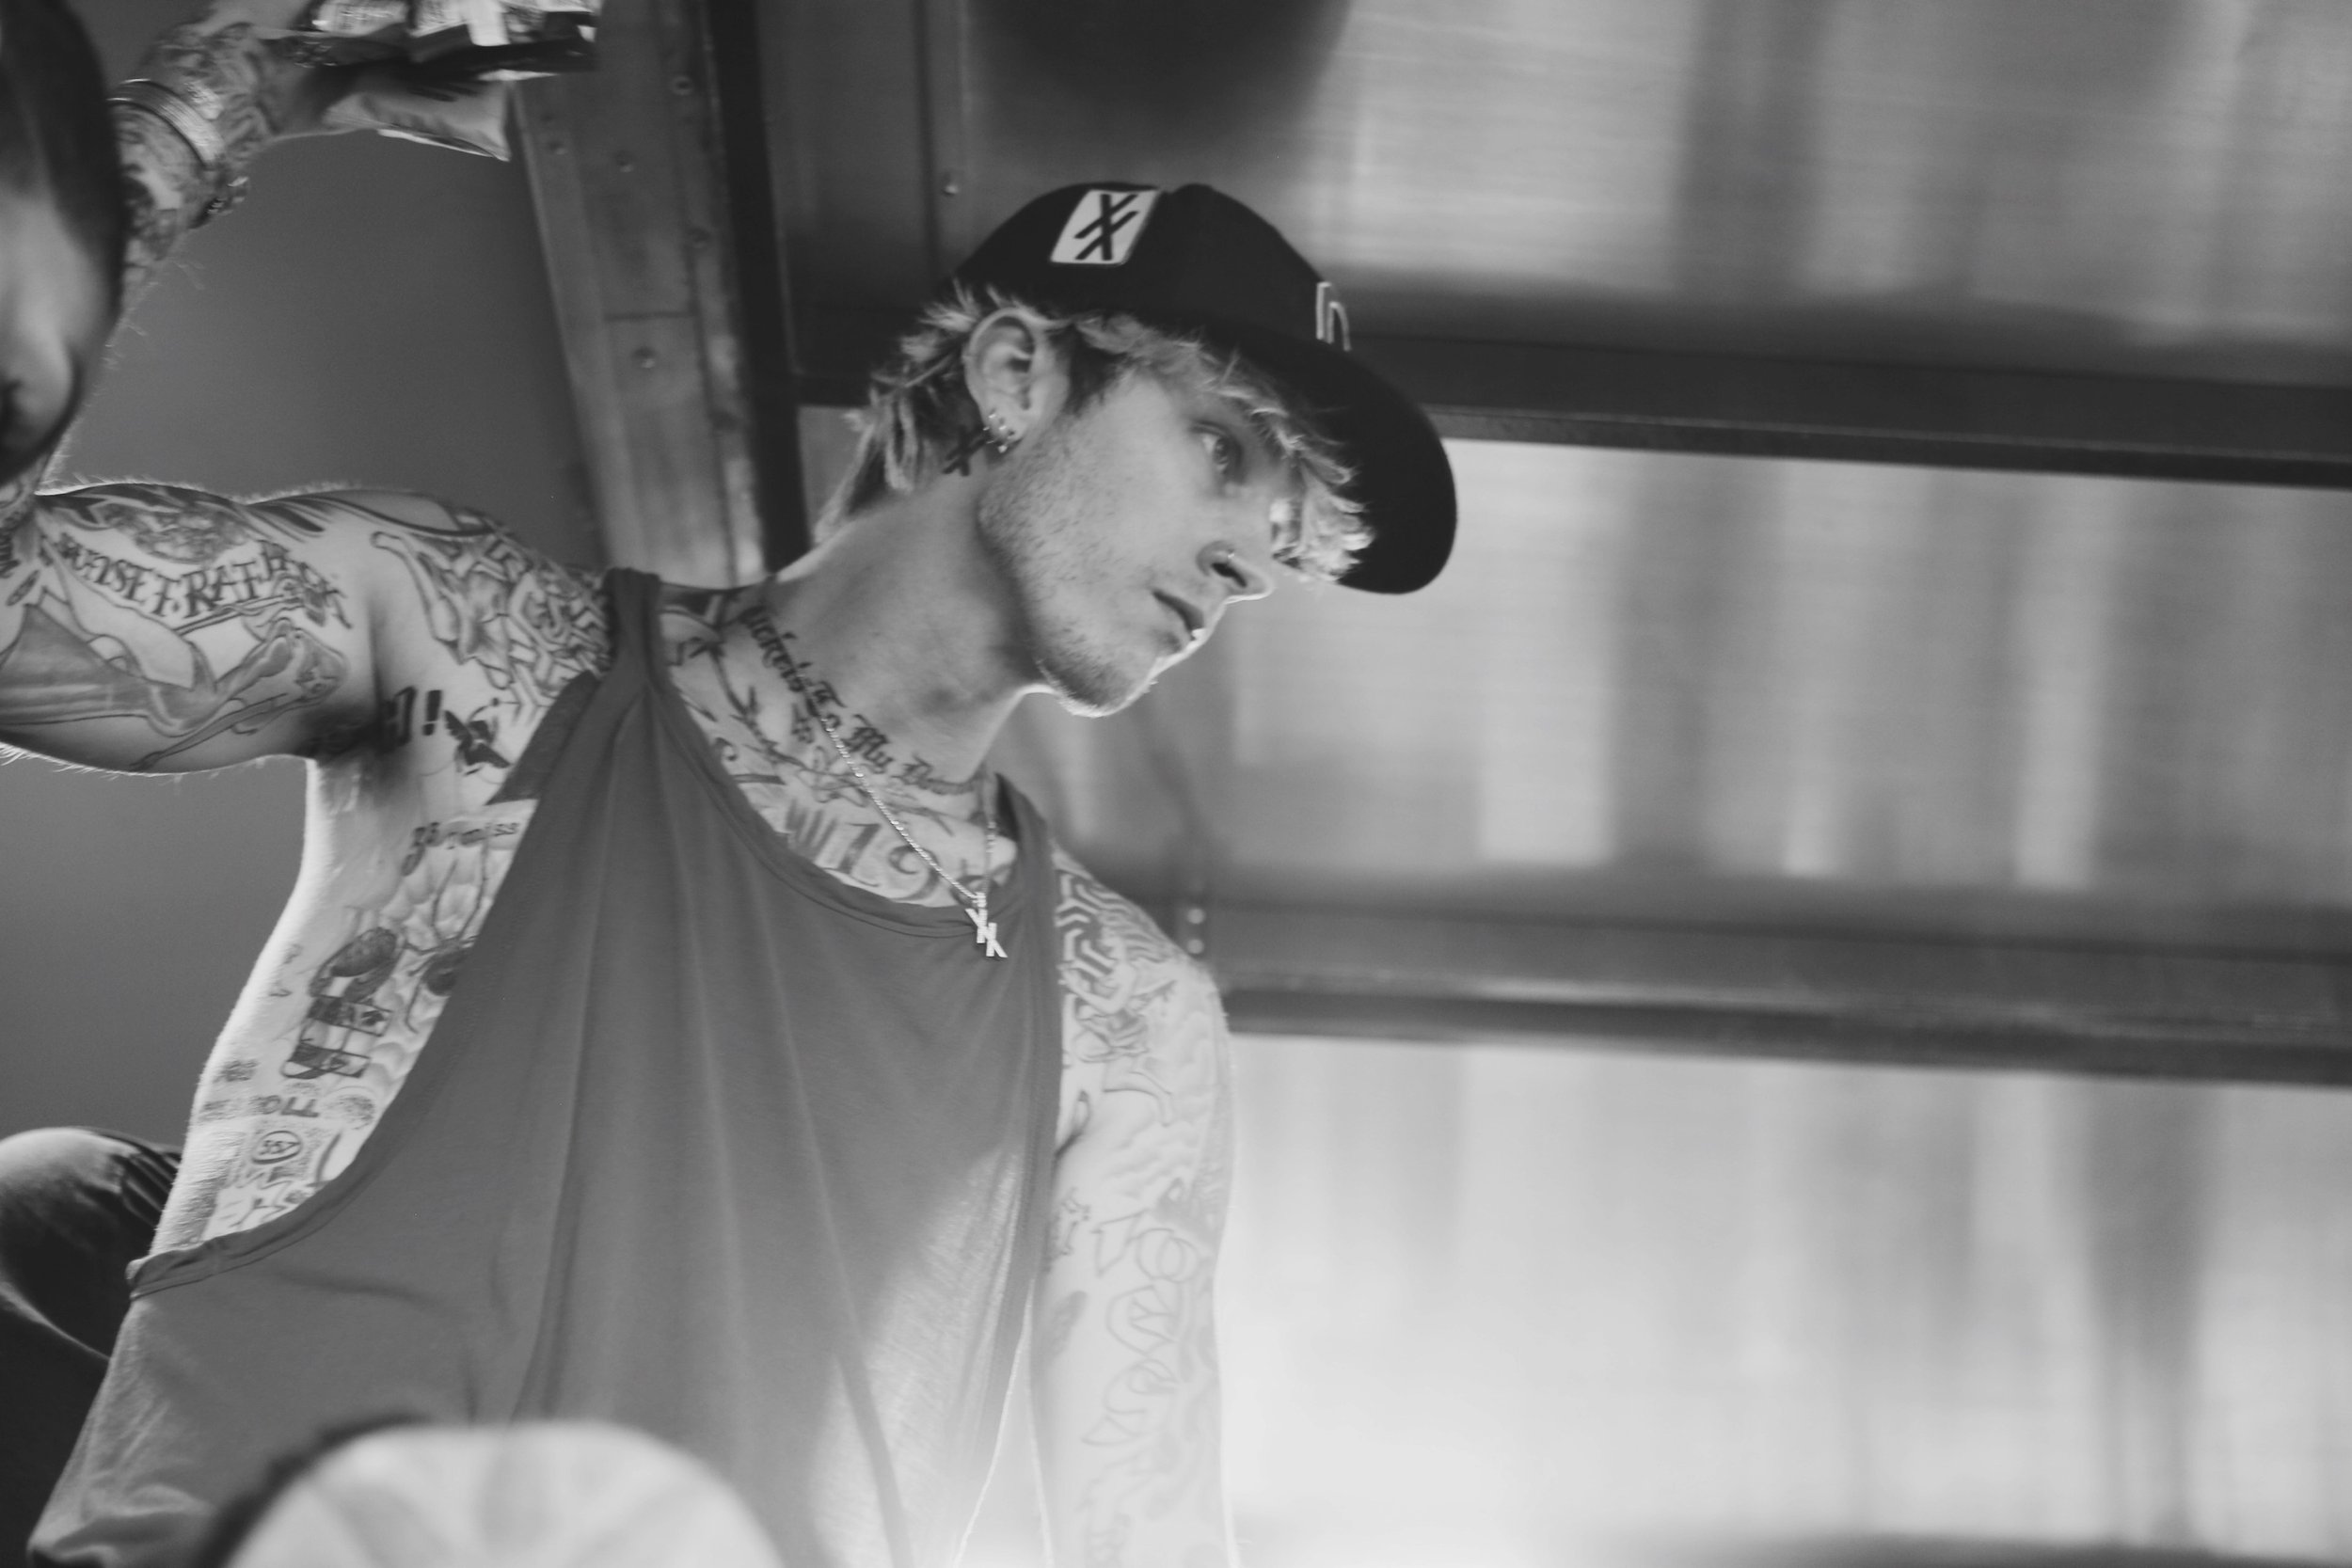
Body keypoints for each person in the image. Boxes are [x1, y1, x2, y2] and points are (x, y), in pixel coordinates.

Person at [0, 5, 1457, 1568]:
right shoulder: (475, 647)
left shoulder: (1122, 1018)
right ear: (1020, 373)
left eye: (1287, 528)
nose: (1251, 558)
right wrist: (223, 94)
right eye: (1225, 450)